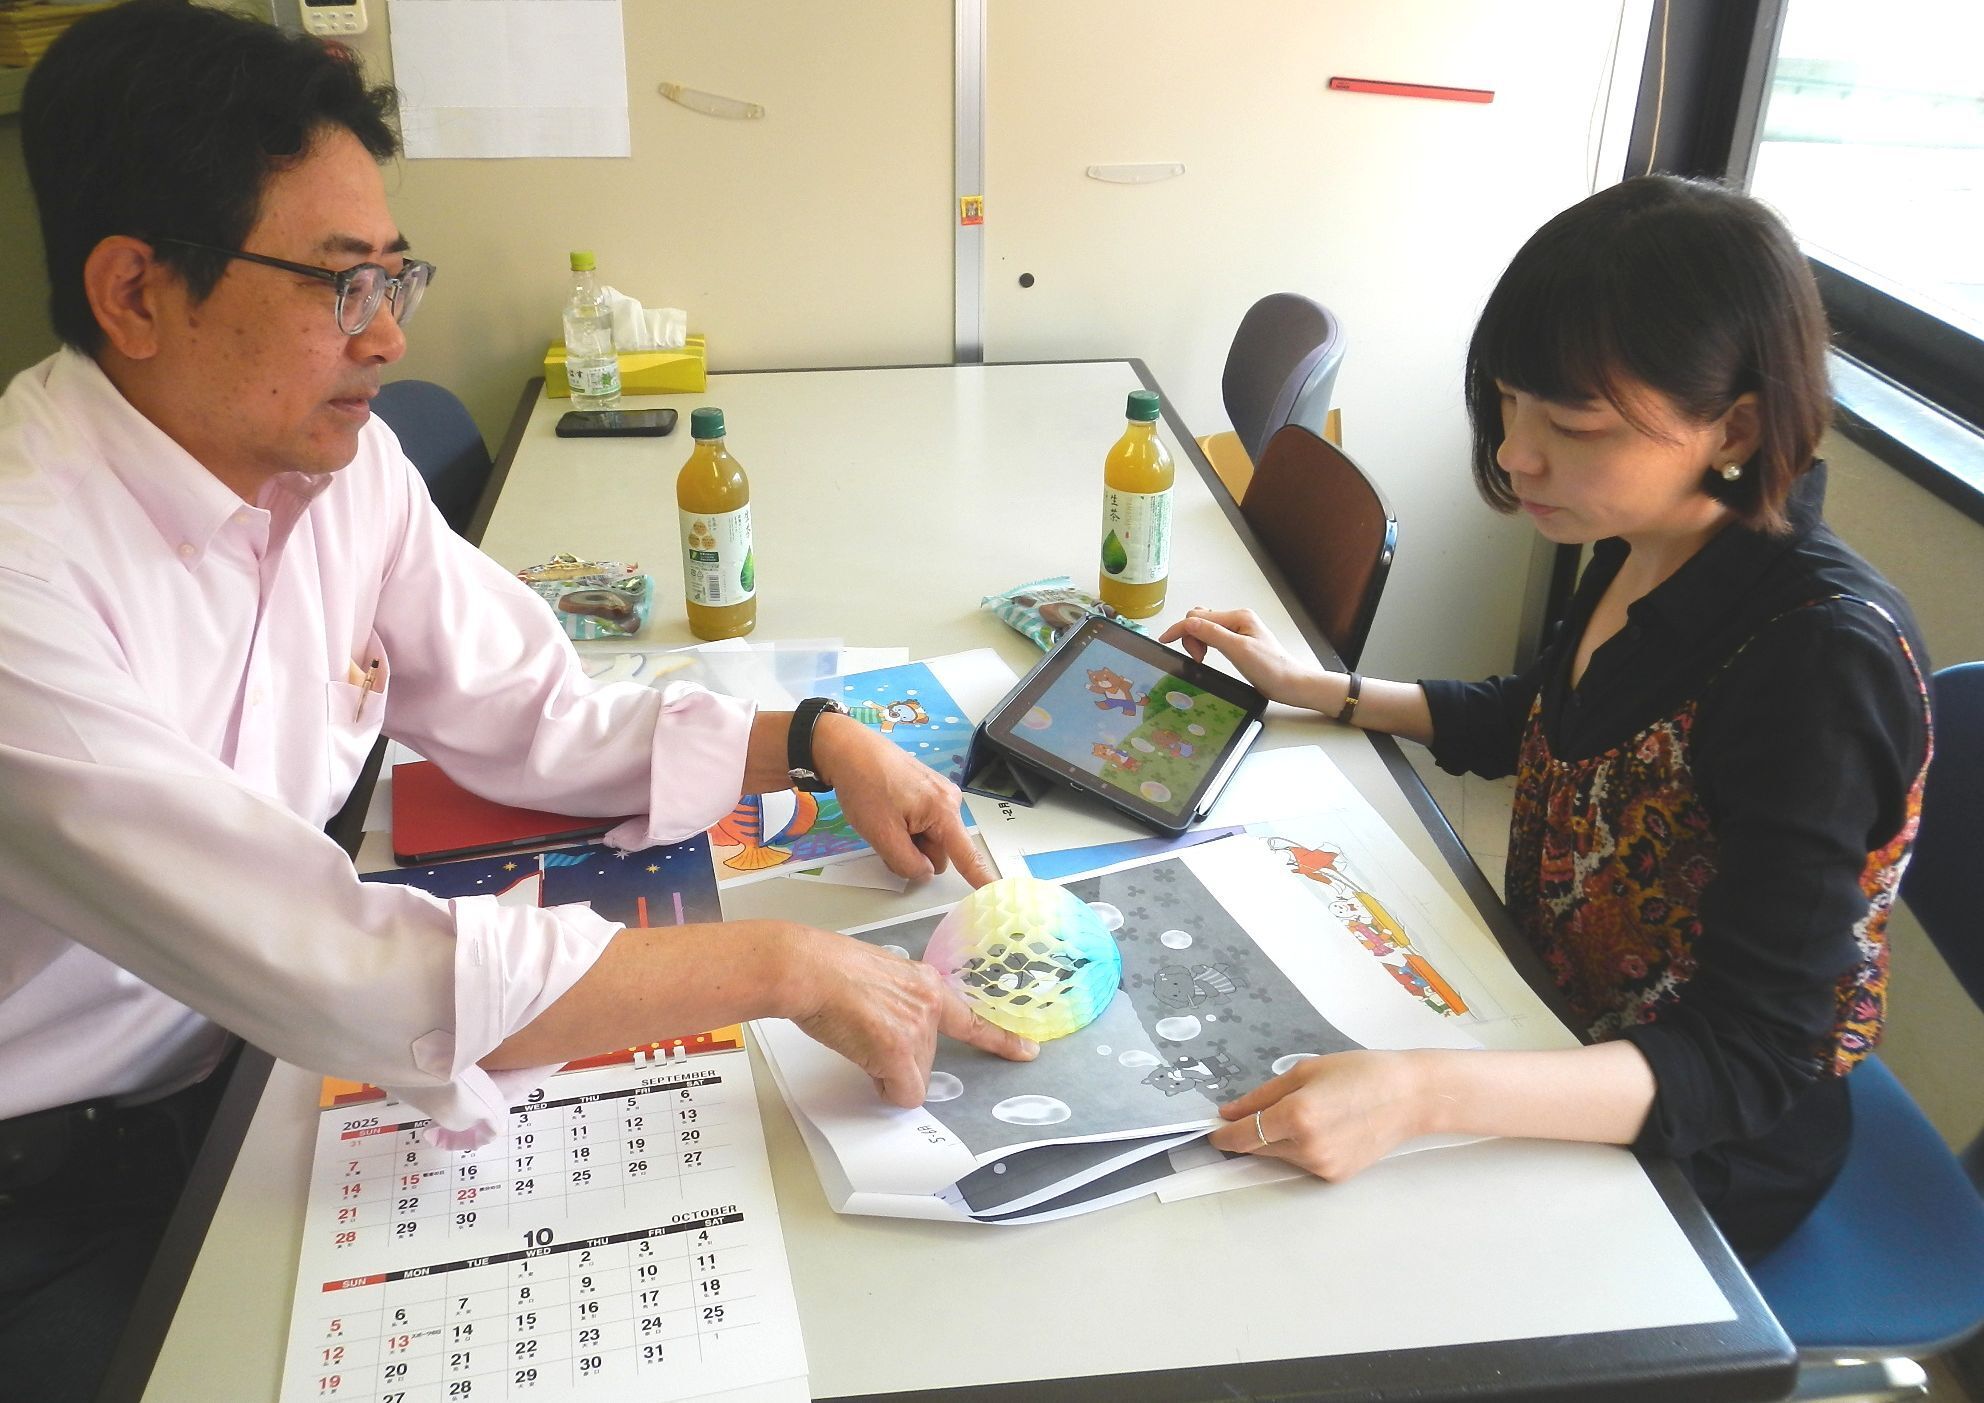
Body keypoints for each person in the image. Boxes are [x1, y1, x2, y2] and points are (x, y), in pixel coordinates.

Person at [0, 5, 1030, 1395]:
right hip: (55, 1186)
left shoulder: (334, 465)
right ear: (134, 292)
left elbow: (530, 710)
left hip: (256, 1072)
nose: (384, 336)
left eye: (393, 277)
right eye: (338, 284)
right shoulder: (23, 578)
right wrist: (785, 966)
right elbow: (333, 959)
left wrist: (808, 738)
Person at [1169, 175, 1931, 1262]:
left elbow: (1747, 1057)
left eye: (1573, 424)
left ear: (1735, 424)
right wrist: (1320, 686)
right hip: (1545, 1016)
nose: (1517, 453)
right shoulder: (1648, 534)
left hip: (1693, 1140)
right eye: (1509, 403)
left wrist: (1423, 1092)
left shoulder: (1819, 662)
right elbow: (1542, 718)